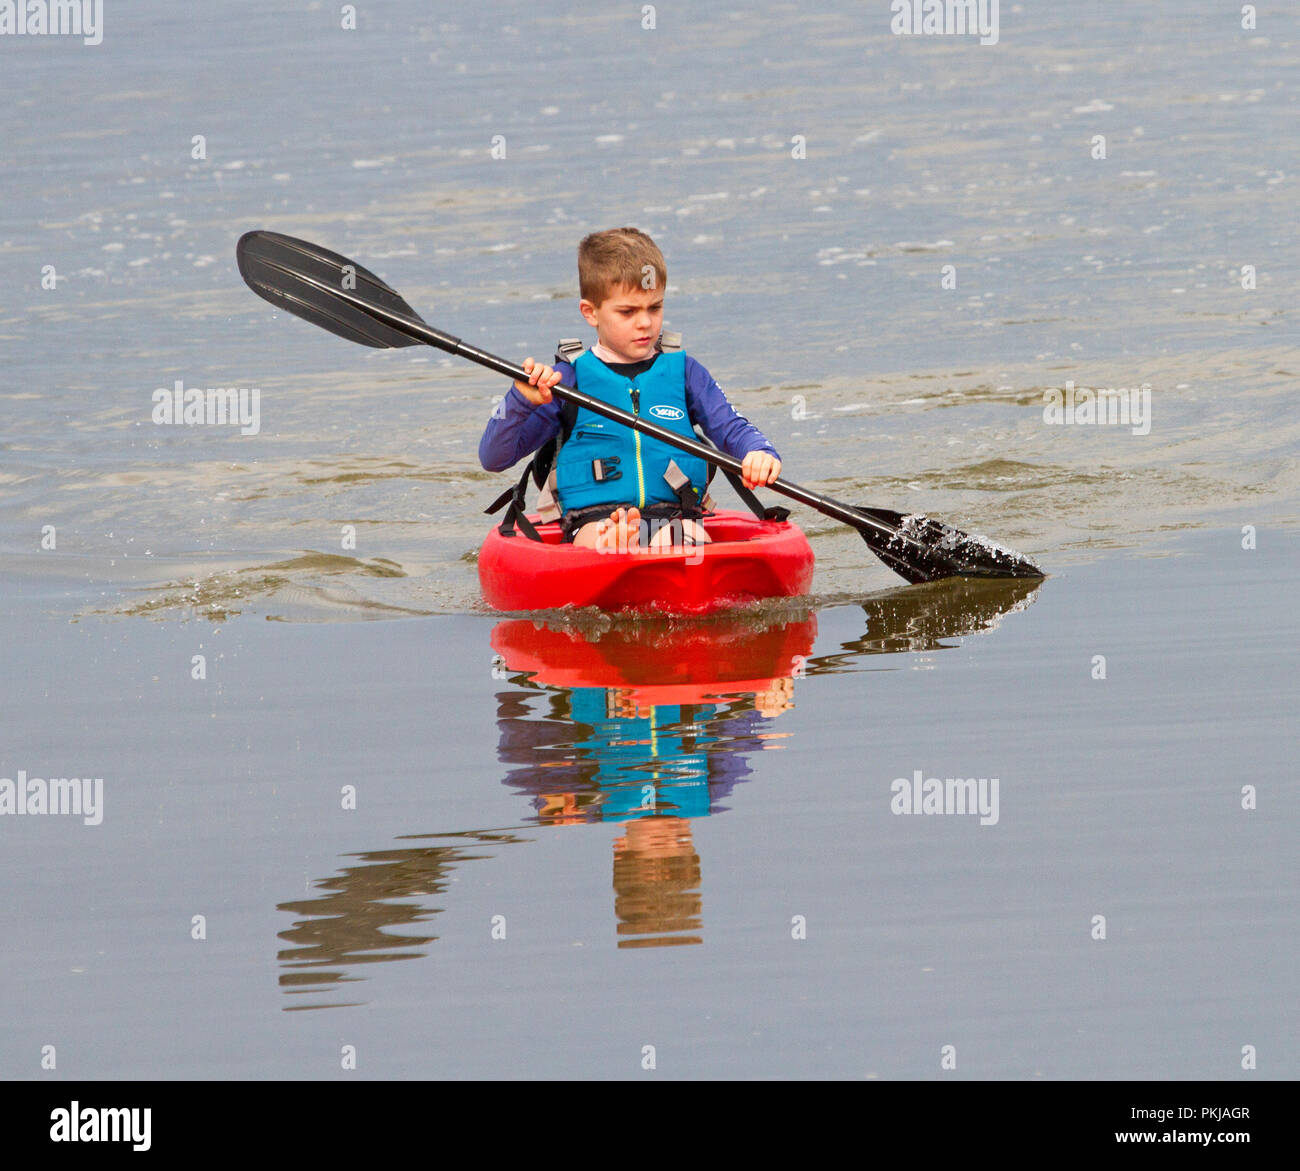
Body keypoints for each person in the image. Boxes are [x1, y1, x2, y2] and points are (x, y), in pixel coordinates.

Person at [478, 227, 781, 550]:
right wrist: (520, 401)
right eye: (628, 311)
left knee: (686, 540)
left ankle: (655, 555)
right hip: (593, 521)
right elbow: (493, 457)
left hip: (676, 515)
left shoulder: (686, 373)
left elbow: (732, 428)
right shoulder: (565, 381)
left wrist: (759, 453)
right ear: (590, 312)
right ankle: (620, 543)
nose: (645, 323)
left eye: (654, 308)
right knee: (604, 539)